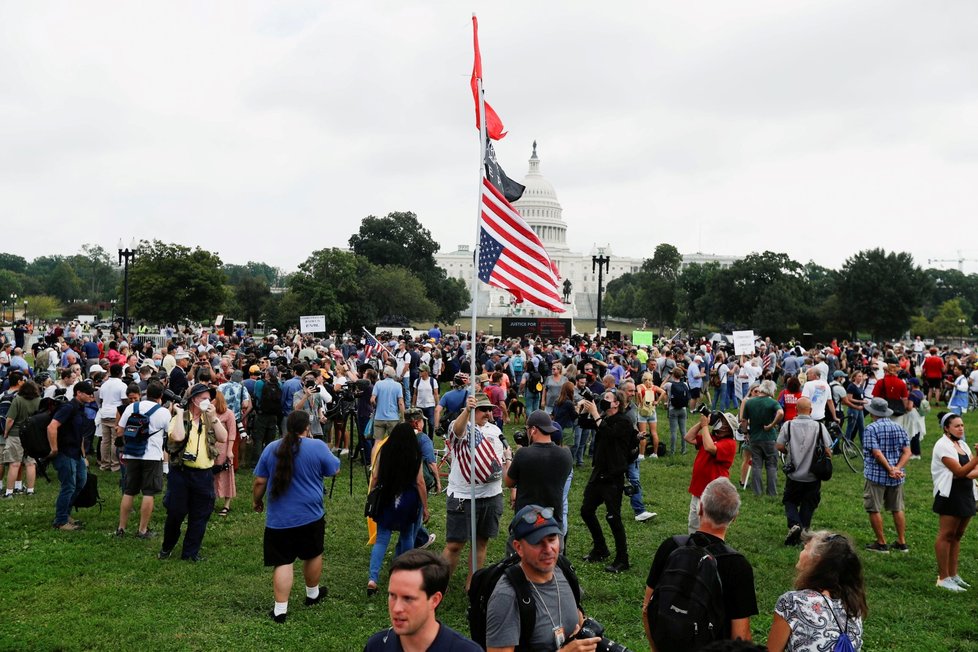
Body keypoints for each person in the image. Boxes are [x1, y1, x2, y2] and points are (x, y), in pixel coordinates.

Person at [643, 477, 758, 648]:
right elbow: (740, 637)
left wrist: (656, 648)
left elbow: (648, 609)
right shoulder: (737, 566)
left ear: (700, 508)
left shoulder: (671, 546)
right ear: (734, 517)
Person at [253, 410, 341, 622]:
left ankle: (280, 610)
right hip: (311, 514)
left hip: (279, 519)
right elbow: (334, 470)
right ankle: (313, 594)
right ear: (307, 428)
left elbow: (259, 482)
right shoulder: (317, 446)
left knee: (283, 561)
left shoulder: (271, 448)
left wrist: (257, 501)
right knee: (312, 553)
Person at [485, 505, 601, 652]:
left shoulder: (563, 569)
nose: (548, 549)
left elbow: (577, 618)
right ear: (518, 547)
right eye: (538, 543)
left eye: (552, 539)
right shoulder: (506, 596)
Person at [442, 393, 510, 588]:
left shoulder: (496, 430)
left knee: (481, 543)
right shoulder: (462, 426)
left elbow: (501, 460)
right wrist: (467, 411)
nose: (487, 413)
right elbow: (457, 431)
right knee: (455, 545)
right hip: (463, 496)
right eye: (482, 409)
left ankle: (472, 586)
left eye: (489, 409)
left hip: (491, 495)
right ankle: (439, 585)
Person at [159, 383, 228, 561]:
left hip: (203, 474)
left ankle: (190, 553)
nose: (207, 401)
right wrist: (180, 413)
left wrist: (213, 418)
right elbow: (178, 437)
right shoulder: (180, 417)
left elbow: (223, 437)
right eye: (203, 398)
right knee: (176, 512)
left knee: (200, 515)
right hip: (181, 473)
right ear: (193, 400)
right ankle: (167, 547)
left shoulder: (210, 417)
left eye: (208, 398)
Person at [766, 531, 867, 651]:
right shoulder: (853, 605)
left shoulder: (792, 602)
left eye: (805, 548)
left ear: (816, 560)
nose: (801, 552)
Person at [363, 549, 481, 651]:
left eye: (408, 598)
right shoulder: (377, 646)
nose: (397, 608)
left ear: (435, 600)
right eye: (392, 595)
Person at [367, 422, 430, 596]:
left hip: (387, 497)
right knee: (407, 536)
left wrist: (371, 494)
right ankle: (406, 573)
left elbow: (376, 476)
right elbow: (420, 482)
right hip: (408, 499)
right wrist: (425, 507)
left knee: (381, 540)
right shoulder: (415, 453)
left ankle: (373, 578)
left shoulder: (385, 450)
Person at [579, 389, 634, 573]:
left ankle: (622, 559)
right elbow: (584, 423)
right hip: (599, 473)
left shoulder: (624, 421)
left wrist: (595, 414)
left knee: (613, 517)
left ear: (617, 403)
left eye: (608, 398)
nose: (603, 400)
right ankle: (601, 548)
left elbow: (609, 433)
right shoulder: (605, 417)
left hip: (613, 475)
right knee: (586, 511)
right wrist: (585, 410)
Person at [505, 410, 573, 539]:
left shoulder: (523, 454)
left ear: (534, 429)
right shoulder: (566, 454)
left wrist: (508, 459)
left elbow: (509, 482)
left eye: (527, 429)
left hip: (527, 520)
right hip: (553, 520)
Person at [115, 381, 170, 538]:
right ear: (160, 395)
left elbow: (120, 429)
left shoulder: (132, 407)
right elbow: (171, 434)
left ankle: (121, 528)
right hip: (152, 455)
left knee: (129, 491)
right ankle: (142, 530)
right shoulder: (163, 412)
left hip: (132, 454)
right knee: (149, 492)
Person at [930, 412, 978, 592]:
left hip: (965, 493)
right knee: (946, 534)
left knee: (958, 535)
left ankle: (953, 574)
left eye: (962, 425)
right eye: (957, 426)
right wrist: (976, 459)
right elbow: (958, 472)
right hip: (950, 494)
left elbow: (970, 471)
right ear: (946, 428)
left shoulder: (962, 444)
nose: (961, 428)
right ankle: (943, 578)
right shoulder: (942, 446)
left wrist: (970, 468)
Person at [775, 398, 833, 546]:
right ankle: (803, 532)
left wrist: (788, 452)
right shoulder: (819, 426)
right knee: (809, 503)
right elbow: (828, 448)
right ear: (811, 410)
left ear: (795, 409)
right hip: (813, 474)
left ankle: (795, 524)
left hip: (794, 473)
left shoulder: (788, 425)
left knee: (790, 500)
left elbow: (779, 445)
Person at [861, 397, 911, 553]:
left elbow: (876, 453)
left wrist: (889, 469)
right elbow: (907, 452)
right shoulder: (898, 427)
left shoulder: (871, 429)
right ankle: (902, 542)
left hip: (876, 475)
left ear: (872, 413)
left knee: (874, 508)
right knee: (897, 508)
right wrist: (897, 468)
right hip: (897, 477)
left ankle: (881, 543)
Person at [46, 380, 97, 530]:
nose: (91, 396)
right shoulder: (68, 407)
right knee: (68, 486)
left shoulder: (80, 408)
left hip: (76, 453)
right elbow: (52, 427)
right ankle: (60, 521)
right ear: (78, 393)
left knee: (80, 482)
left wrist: (83, 456)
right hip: (65, 452)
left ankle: (65, 514)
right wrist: (54, 449)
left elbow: (79, 434)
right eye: (88, 393)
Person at [683, 409, 739, 534]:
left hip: (713, 494)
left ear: (728, 428)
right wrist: (702, 423)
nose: (718, 422)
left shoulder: (729, 443)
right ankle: (694, 545)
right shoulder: (711, 437)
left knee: (709, 526)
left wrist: (704, 427)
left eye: (722, 421)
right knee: (693, 522)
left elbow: (709, 447)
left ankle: (707, 548)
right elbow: (688, 437)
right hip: (698, 489)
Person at [742, 380, 784, 497]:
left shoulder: (750, 403)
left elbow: (744, 420)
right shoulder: (772, 403)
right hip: (769, 438)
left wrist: (746, 432)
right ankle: (772, 492)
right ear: (771, 390)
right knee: (771, 466)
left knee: (756, 465)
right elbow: (781, 412)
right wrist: (772, 425)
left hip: (755, 438)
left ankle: (757, 491)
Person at [2, 379, 41, 497]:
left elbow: (10, 419)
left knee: (14, 464)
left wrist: (6, 432)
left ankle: (9, 492)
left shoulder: (17, 400)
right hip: (32, 435)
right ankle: (30, 490)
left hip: (16, 434)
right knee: (30, 463)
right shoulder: (39, 401)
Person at [212, 390, 238, 517]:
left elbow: (232, 433)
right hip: (210, 448)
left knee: (225, 474)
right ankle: (211, 500)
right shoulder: (208, 413)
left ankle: (226, 504)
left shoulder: (228, 413)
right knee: (211, 475)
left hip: (223, 448)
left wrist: (230, 450)